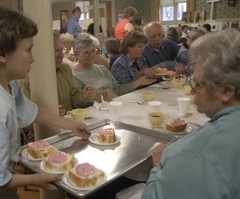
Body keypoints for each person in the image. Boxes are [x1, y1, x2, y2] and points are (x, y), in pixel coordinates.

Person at [0, 6, 91, 199]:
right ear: (2, 55)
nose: (33, 58)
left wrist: (70, 124)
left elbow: (31, 111)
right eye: (28, 50)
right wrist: (36, 179)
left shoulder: (4, 83)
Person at [117, 28, 240, 199]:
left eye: (197, 84)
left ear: (227, 91)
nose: (192, 90)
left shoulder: (195, 153)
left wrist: (158, 166)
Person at [72, 33, 156, 102]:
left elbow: (118, 90)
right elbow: (79, 104)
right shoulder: (75, 76)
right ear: (76, 54)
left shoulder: (102, 69)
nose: (91, 55)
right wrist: (100, 99)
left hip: (117, 105)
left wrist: (138, 82)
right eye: (86, 52)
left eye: (93, 51)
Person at [54, 30, 96, 116]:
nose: (61, 55)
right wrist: (50, 114)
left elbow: (75, 100)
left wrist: (84, 96)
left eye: (62, 50)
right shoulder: (30, 79)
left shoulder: (65, 69)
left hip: (70, 123)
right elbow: (24, 120)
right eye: (56, 51)